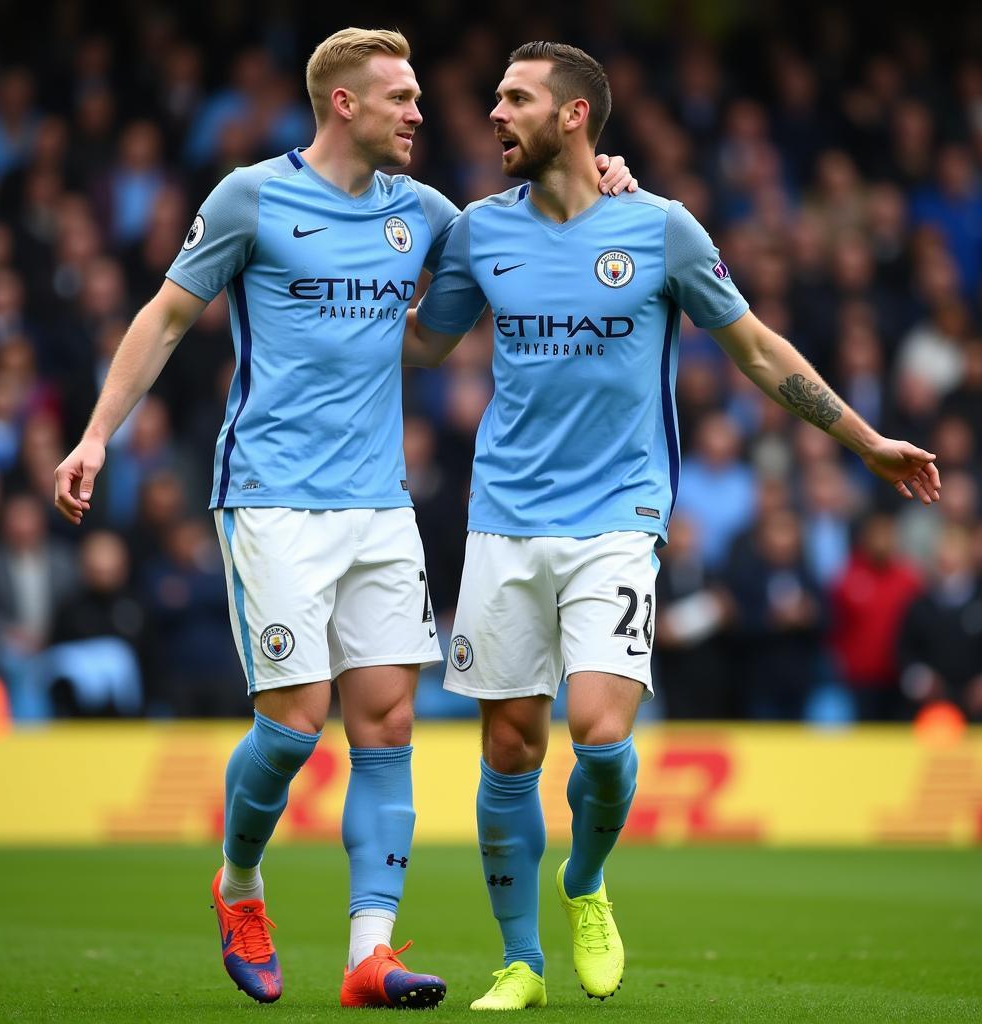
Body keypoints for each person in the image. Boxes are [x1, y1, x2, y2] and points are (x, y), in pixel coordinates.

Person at [52, 27, 635, 1010]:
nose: (421, 112)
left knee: (388, 722)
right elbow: (161, 315)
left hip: (378, 507)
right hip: (272, 497)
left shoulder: (429, 215)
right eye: (400, 97)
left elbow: (501, 257)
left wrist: (604, 174)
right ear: (343, 105)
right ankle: (239, 880)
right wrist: (98, 437)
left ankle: (369, 953)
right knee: (292, 727)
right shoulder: (251, 197)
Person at [403, 42, 942, 1010]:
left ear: (573, 116)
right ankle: (520, 959)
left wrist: (865, 442)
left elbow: (755, 347)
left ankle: (583, 881)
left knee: (602, 739)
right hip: (504, 518)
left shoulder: (661, 230)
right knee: (511, 750)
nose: (493, 113)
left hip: (617, 515)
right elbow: (419, 342)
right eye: (493, 97)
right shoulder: (482, 231)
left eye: (515, 98)